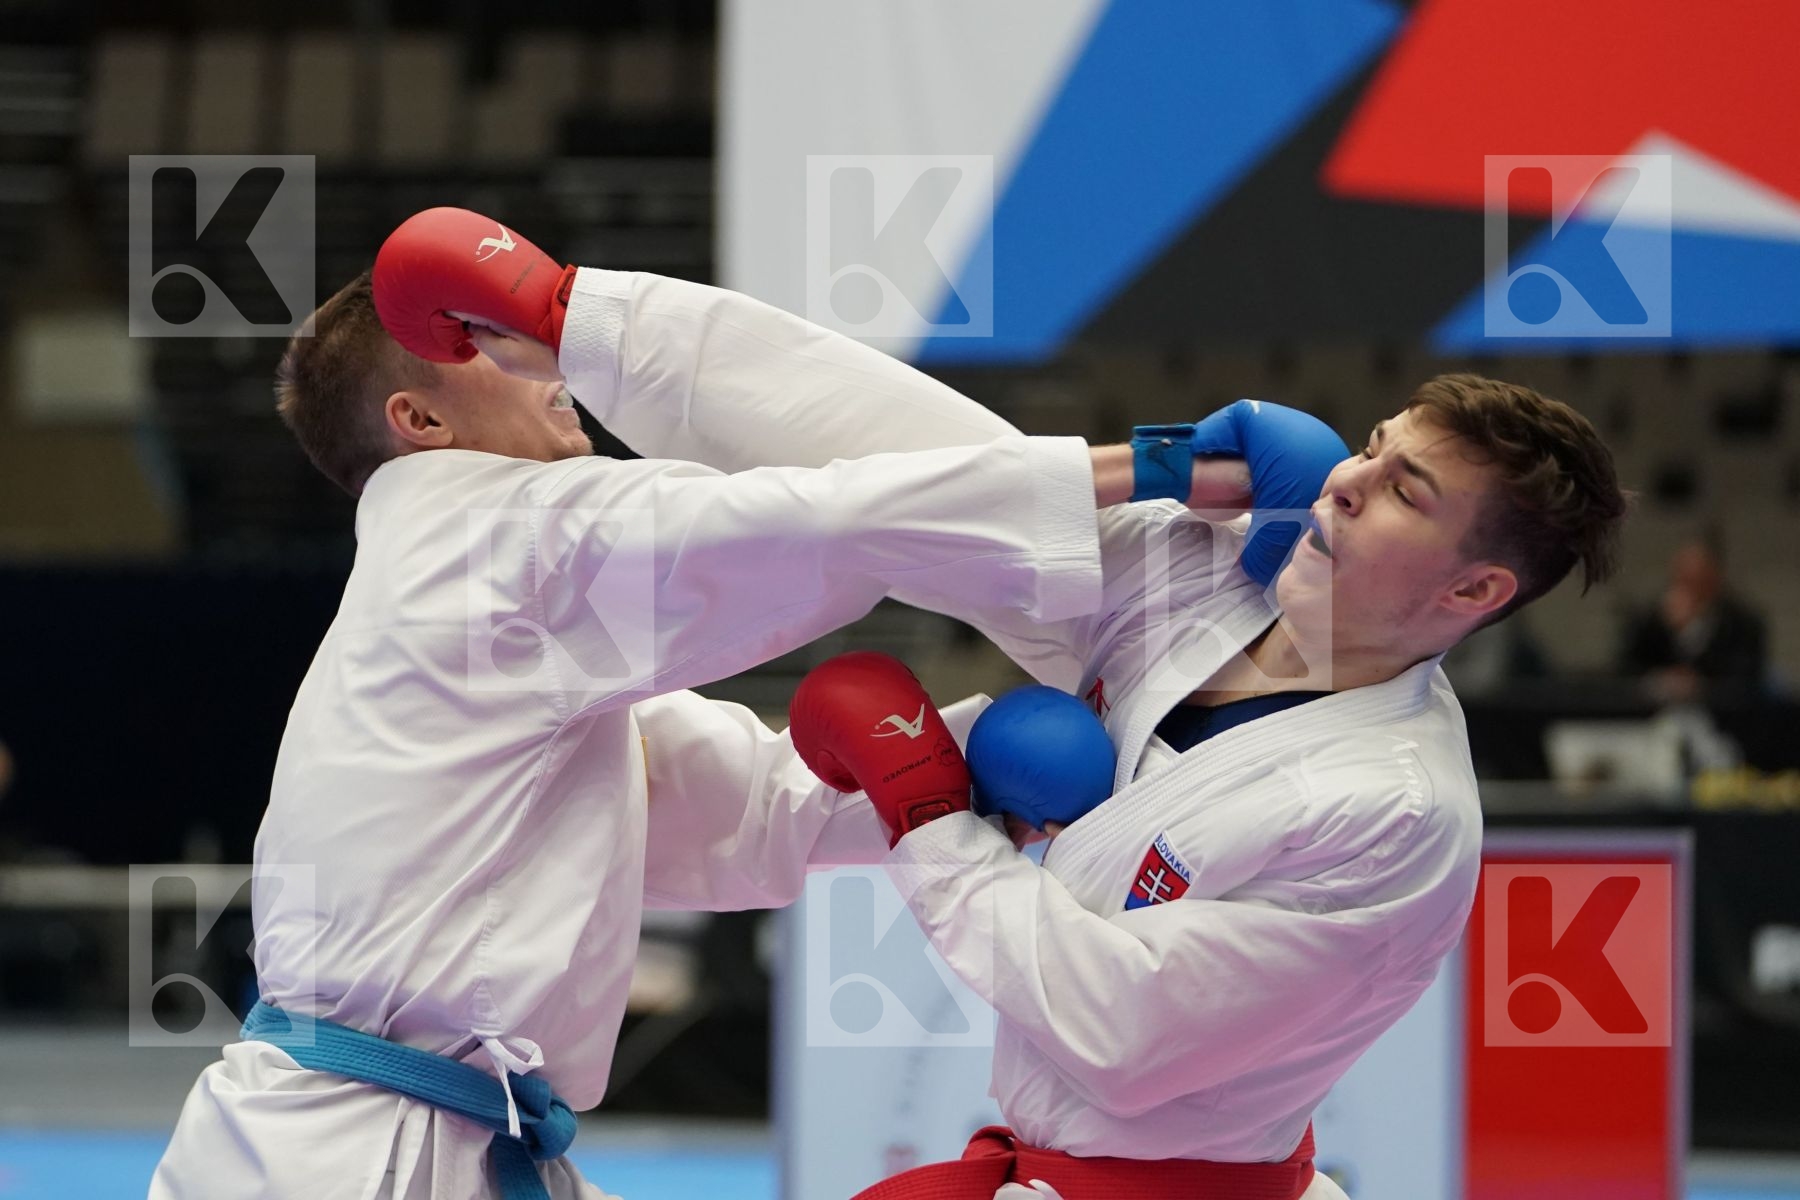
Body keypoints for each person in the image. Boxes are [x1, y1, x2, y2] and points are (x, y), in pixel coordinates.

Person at [148, 209, 1272, 1200]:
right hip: (350, 1164)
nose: (552, 366)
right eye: (491, 348)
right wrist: (1153, 471)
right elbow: (804, 525)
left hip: (429, 1138)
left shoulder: (496, 638)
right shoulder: (491, 543)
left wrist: (965, 771)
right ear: (422, 423)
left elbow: (749, 816)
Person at [536, 265, 1629, 1198]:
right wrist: (582, 321)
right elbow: (921, 465)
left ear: (1475, 588)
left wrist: (931, 819)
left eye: (1405, 491)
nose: (1344, 482)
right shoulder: (1219, 573)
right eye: (1374, 447)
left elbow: (1118, 1029)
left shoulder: (1394, 814)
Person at [1617, 528, 1768, 702]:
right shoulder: (1648, 620)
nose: (1688, 587)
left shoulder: (1744, 623)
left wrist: (1690, 632)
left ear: (1715, 578)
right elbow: (1625, 671)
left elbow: (1745, 679)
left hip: (1724, 719)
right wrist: (1660, 680)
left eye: (1697, 579)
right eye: (1682, 576)